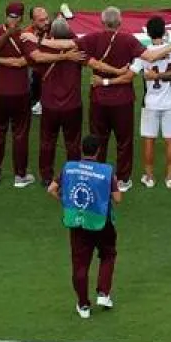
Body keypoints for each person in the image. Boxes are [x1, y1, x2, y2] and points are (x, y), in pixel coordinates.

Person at [49, 134, 122, 319]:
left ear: (82, 149)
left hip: (78, 222)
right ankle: (104, 293)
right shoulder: (106, 171)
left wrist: (66, 202)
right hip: (101, 222)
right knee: (108, 254)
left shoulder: (69, 168)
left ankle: (83, 305)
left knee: (80, 265)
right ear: (98, 151)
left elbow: (51, 189)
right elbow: (118, 199)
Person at [79, 6, 147, 189]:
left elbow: (74, 47)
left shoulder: (92, 39)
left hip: (99, 99)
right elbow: (147, 55)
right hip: (122, 99)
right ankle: (123, 179)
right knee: (124, 140)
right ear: (120, 22)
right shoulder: (129, 40)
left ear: (102, 22)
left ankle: (97, 176)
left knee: (97, 139)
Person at [0, 3, 38, 186]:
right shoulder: (26, 36)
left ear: (5, 14)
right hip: (20, 92)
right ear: (21, 18)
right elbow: (27, 60)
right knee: (20, 134)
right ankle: (20, 176)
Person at [25, 16, 88, 186]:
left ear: (51, 32)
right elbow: (76, 42)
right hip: (72, 105)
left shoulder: (43, 48)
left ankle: (46, 177)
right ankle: (74, 176)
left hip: (50, 105)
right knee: (73, 144)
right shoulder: (77, 50)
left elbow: (36, 63)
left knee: (47, 142)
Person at [132, 16, 171, 189]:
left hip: (150, 103)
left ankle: (149, 177)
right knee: (170, 141)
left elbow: (132, 72)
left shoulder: (144, 53)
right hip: (170, 103)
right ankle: (170, 178)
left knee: (149, 140)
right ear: (165, 31)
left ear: (148, 33)